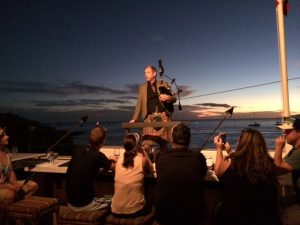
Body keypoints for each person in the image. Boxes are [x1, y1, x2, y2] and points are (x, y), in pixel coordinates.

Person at [213, 128, 282, 225]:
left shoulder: (233, 164)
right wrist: (229, 151)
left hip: (234, 219)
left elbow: (218, 171)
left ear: (240, 143)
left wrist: (219, 148)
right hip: (266, 218)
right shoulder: (269, 166)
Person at [155, 123, 207, 225]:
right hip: (192, 216)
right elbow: (202, 175)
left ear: (172, 139)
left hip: (165, 216)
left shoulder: (160, 157)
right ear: (189, 140)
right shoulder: (198, 157)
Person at [65, 126, 116, 212]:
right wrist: (117, 160)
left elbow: (86, 165)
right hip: (85, 205)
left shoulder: (79, 149)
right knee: (113, 201)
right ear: (103, 141)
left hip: (70, 203)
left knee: (102, 197)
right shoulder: (98, 155)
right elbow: (116, 168)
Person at [129, 65, 177, 151]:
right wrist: (134, 119)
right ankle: (147, 163)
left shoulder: (163, 84)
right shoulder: (142, 87)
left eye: (148, 72)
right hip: (149, 118)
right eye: (145, 73)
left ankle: (163, 163)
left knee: (163, 145)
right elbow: (139, 104)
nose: (145, 75)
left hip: (163, 117)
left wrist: (168, 98)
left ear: (154, 74)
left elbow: (174, 98)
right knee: (146, 145)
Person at [111, 132, 154, 217]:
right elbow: (152, 169)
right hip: (135, 211)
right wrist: (144, 152)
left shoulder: (119, 161)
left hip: (115, 211)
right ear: (137, 146)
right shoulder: (142, 160)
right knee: (153, 203)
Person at [0, 127, 38, 204]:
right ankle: (7, 214)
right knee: (10, 194)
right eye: (4, 136)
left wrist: (16, 185)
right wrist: (10, 187)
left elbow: (10, 173)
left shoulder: (6, 154)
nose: (7, 137)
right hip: (2, 187)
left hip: (7, 185)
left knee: (33, 186)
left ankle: (18, 209)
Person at [274, 116, 300, 224]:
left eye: (288, 131)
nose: (284, 133)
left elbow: (278, 168)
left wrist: (279, 147)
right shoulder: (295, 150)